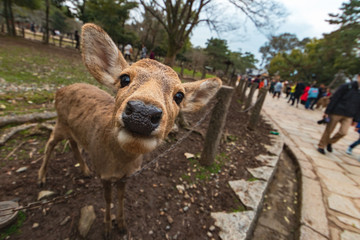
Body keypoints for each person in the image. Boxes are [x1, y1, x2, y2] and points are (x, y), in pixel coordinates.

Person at [317, 74, 360, 154]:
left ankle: (330, 142)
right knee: (329, 130)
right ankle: (321, 146)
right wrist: (327, 112)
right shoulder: (347, 86)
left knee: (343, 132)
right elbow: (335, 98)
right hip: (337, 111)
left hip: (349, 115)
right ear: (358, 77)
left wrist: (356, 119)